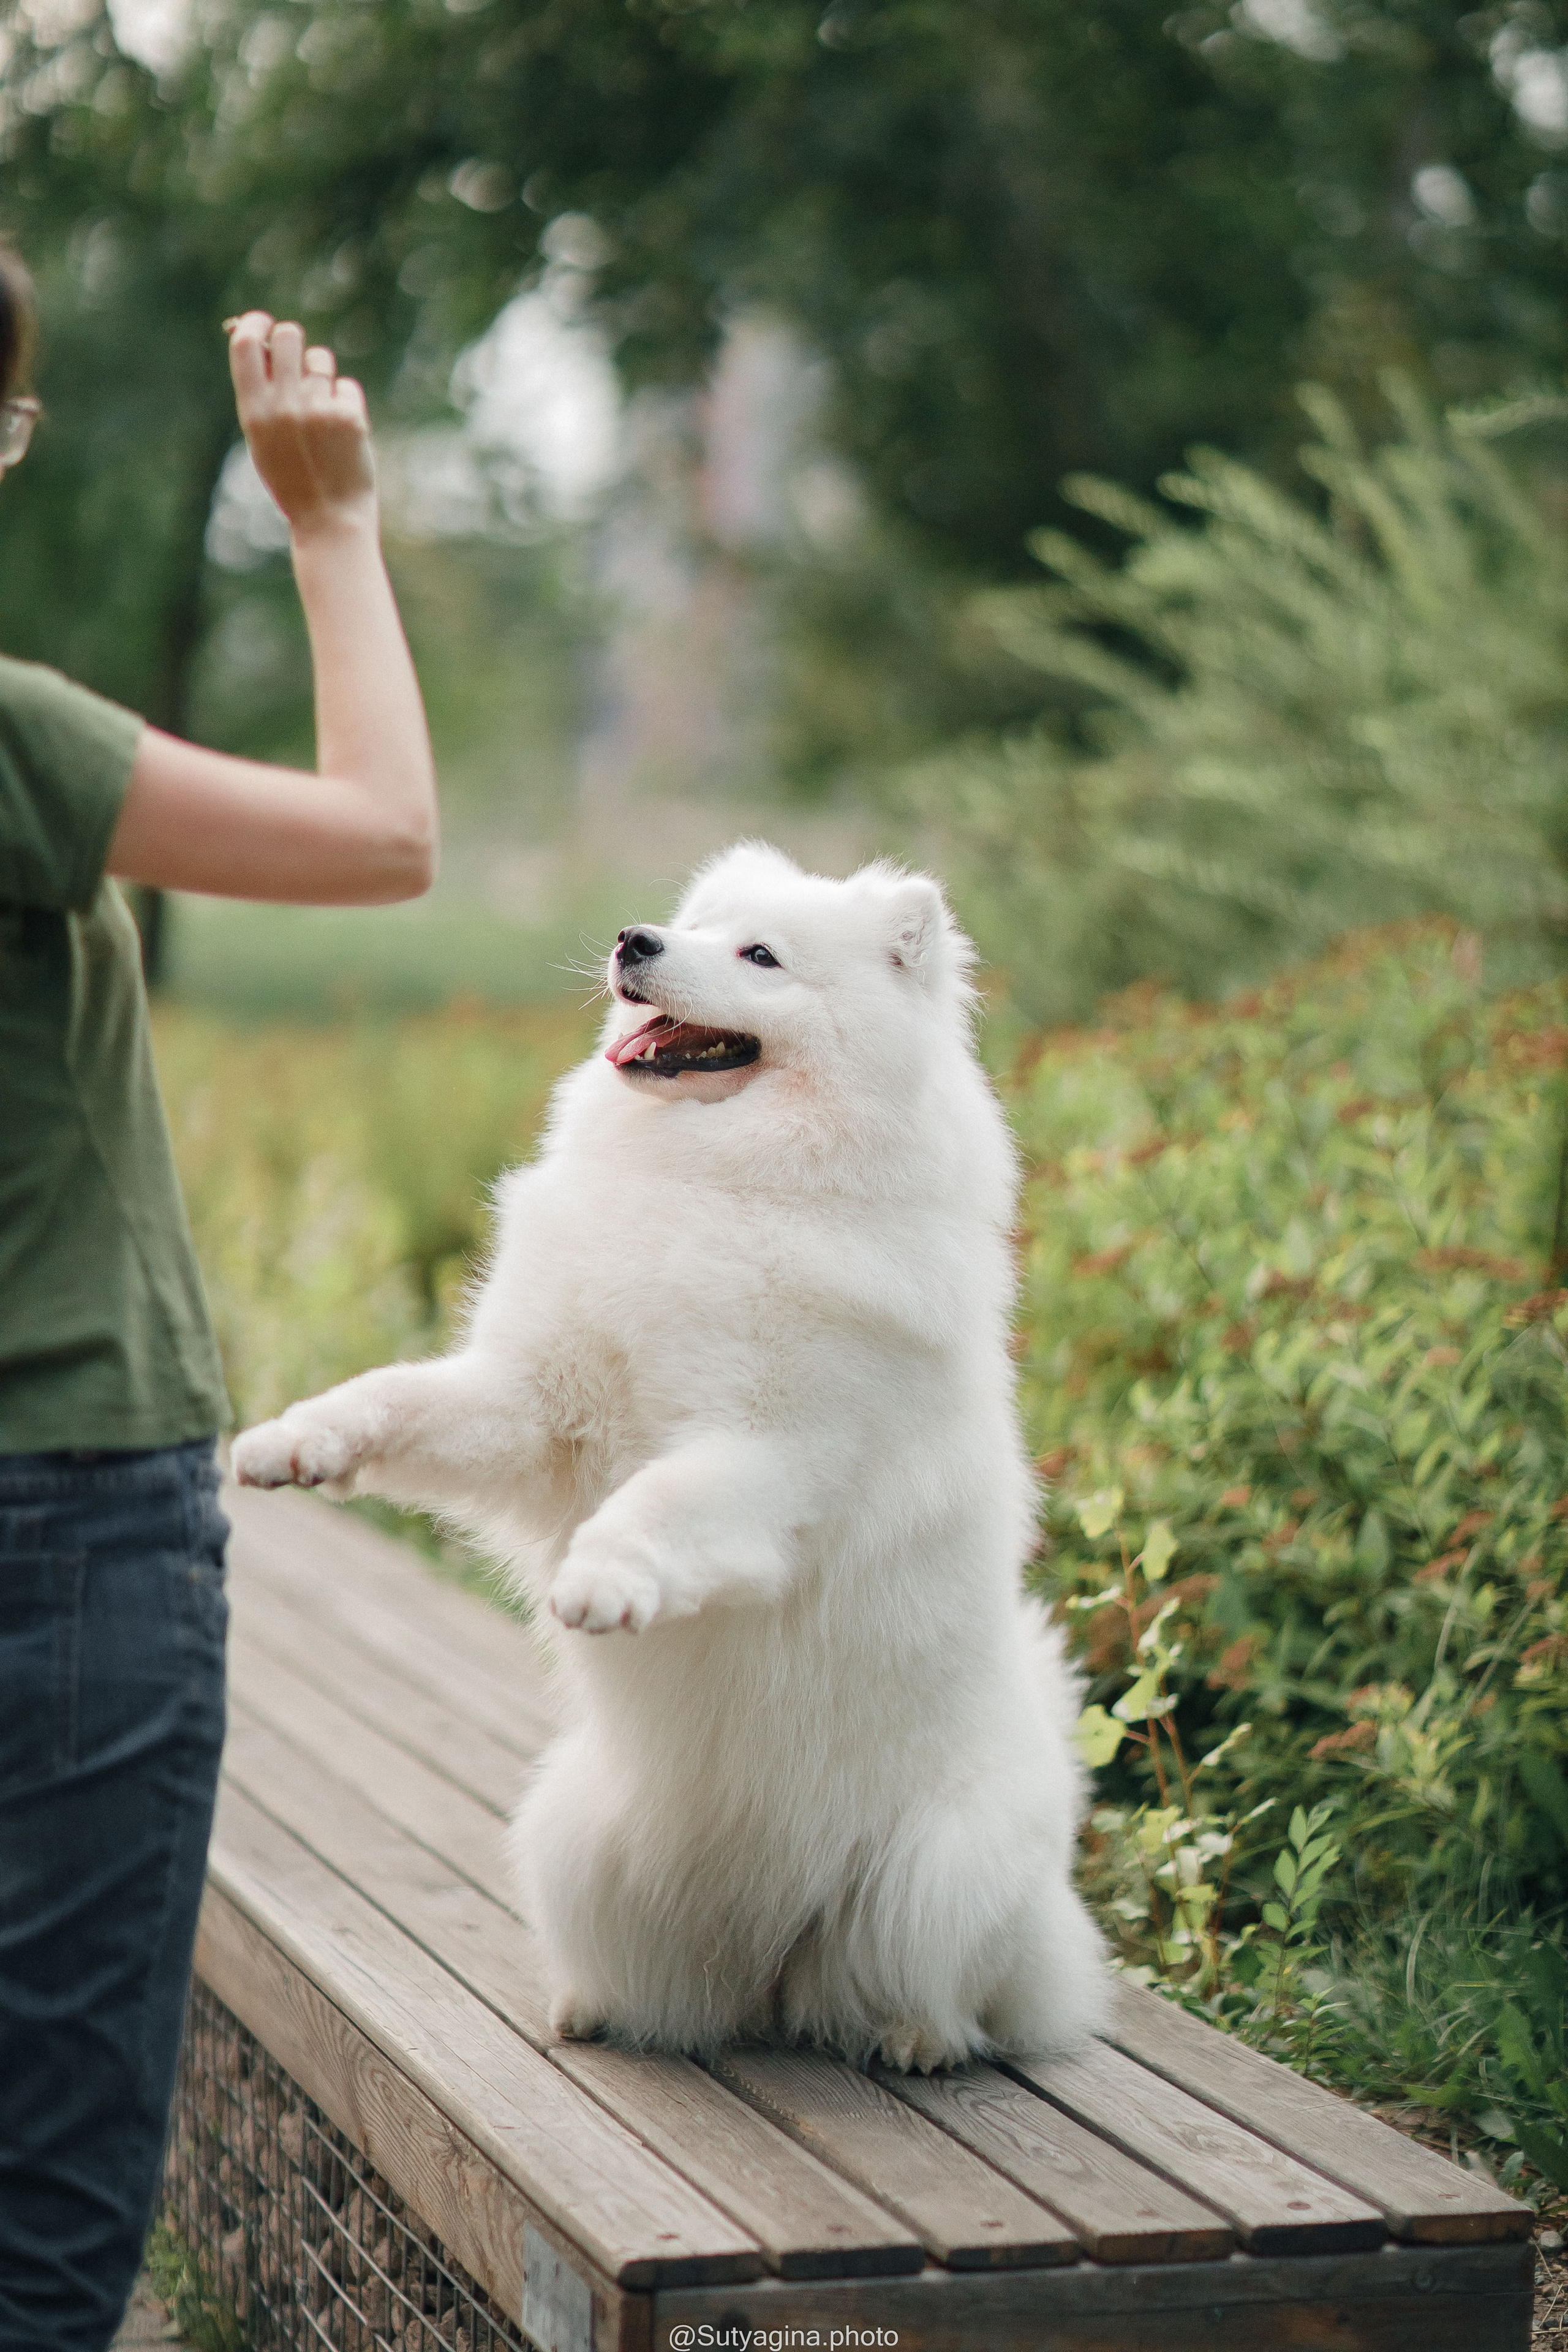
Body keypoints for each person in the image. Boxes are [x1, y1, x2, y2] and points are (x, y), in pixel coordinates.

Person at [0, 240, 439, 2352]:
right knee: (47, 2206)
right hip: (62, 1509)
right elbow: (379, 841)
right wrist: (331, 522)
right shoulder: (13, 745)